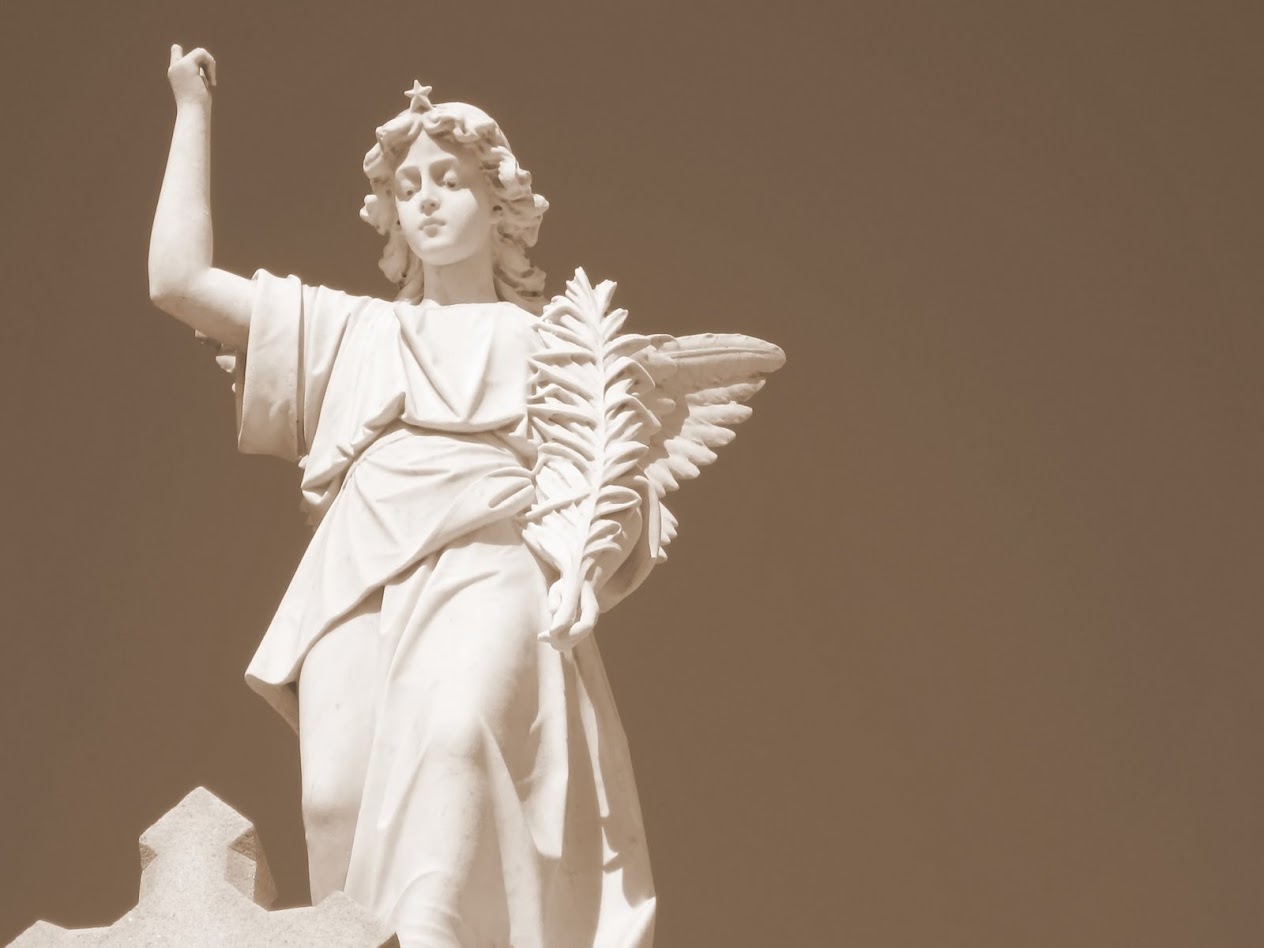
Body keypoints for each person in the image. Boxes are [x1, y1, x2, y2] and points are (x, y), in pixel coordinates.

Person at [150, 46, 658, 948]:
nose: (425, 198)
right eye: (408, 185)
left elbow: (609, 468)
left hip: (492, 553)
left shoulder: (552, 342)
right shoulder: (352, 329)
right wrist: (192, 110)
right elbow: (178, 283)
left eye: (450, 180)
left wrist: (587, 564)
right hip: (358, 560)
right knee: (334, 798)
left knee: (459, 737)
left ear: (498, 204)